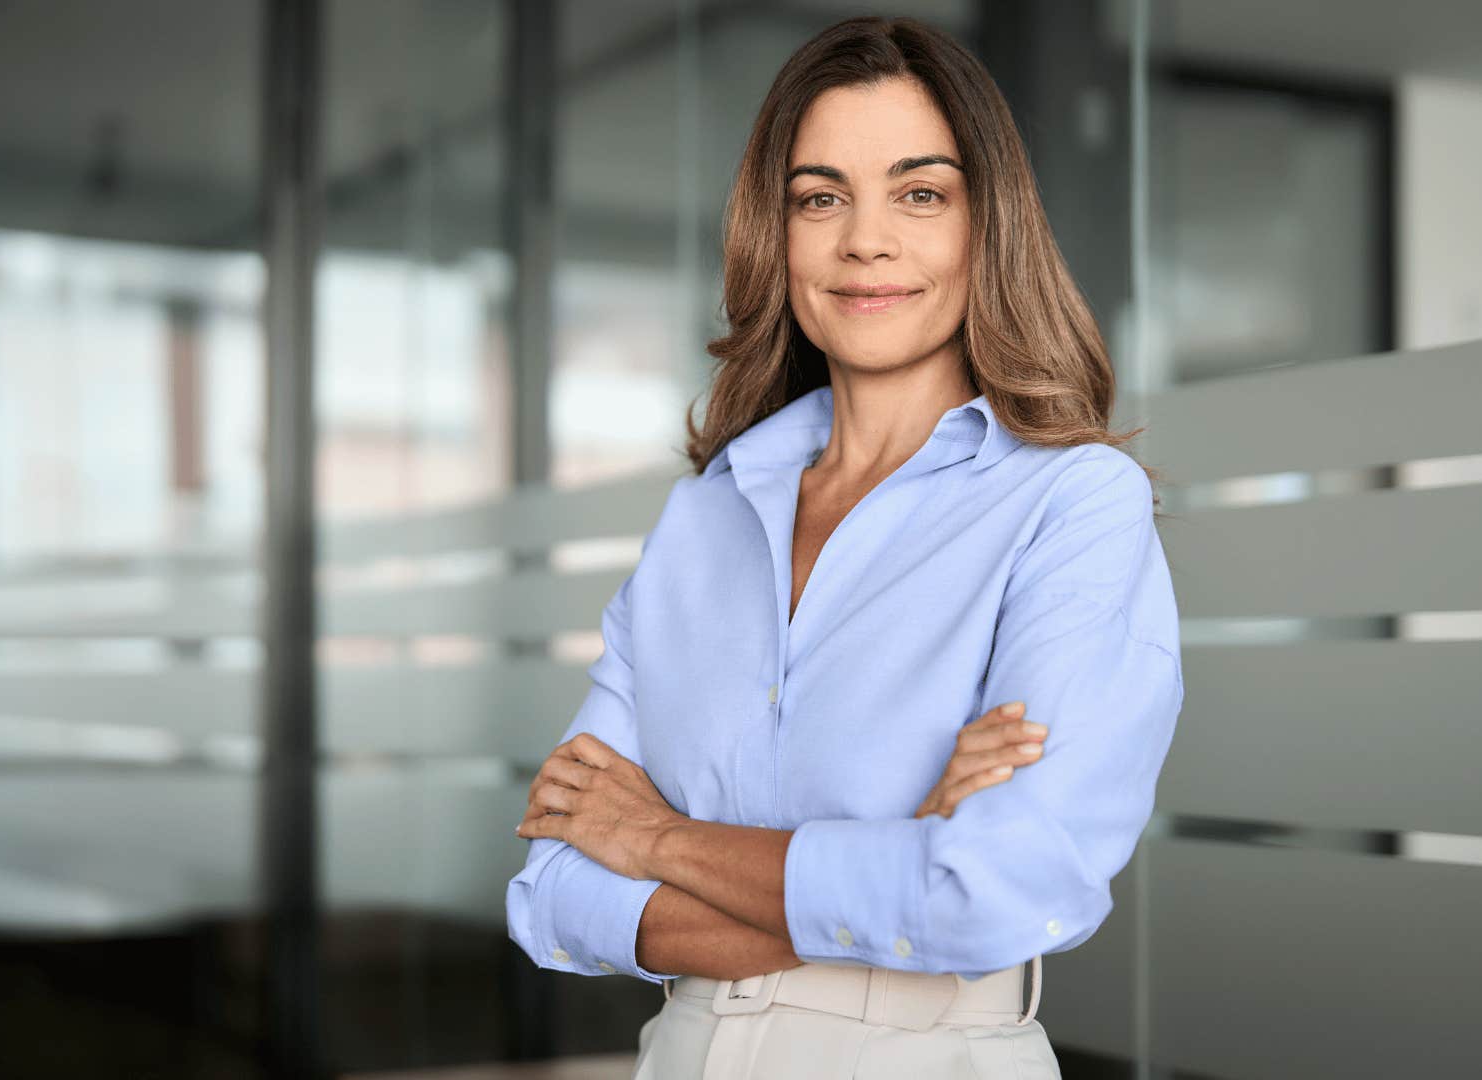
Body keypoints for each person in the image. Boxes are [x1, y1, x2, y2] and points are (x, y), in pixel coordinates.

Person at [505, 14, 1183, 1079]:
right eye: (821, 197)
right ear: (775, 235)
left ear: (985, 225)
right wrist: (896, 846)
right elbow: (554, 891)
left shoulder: (1072, 505)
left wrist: (659, 843)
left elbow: (996, 892)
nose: (866, 239)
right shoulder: (704, 518)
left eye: (920, 193)